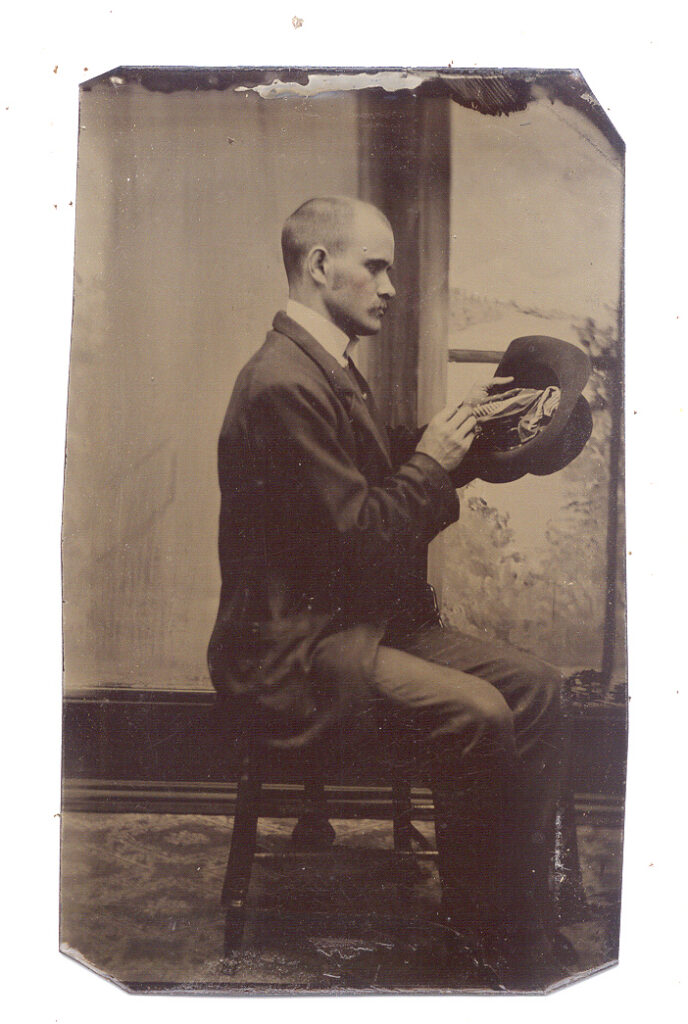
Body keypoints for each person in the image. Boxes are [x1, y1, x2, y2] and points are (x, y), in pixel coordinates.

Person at [208, 195, 568, 988]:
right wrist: (433, 462)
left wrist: (476, 441)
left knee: (539, 690)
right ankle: (479, 943)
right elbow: (362, 543)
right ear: (319, 265)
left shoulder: (323, 365)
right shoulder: (281, 384)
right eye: (375, 267)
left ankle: (520, 921)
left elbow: (368, 487)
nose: (390, 288)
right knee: (477, 713)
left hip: (349, 626)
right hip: (292, 654)